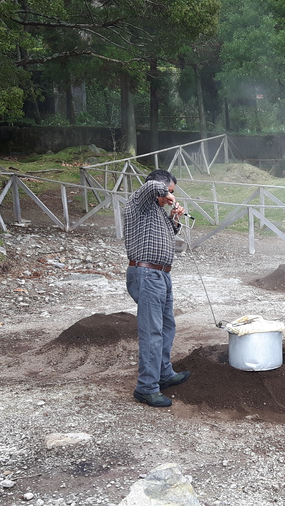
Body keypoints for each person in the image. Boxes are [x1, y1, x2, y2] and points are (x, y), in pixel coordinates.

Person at [124, 169, 191, 407]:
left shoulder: (158, 212)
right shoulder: (140, 201)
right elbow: (151, 187)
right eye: (170, 191)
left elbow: (168, 235)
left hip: (161, 274)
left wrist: (174, 218)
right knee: (152, 331)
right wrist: (166, 193)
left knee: (166, 327)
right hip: (146, 273)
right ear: (160, 187)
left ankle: (164, 374)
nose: (170, 196)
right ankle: (146, 387)